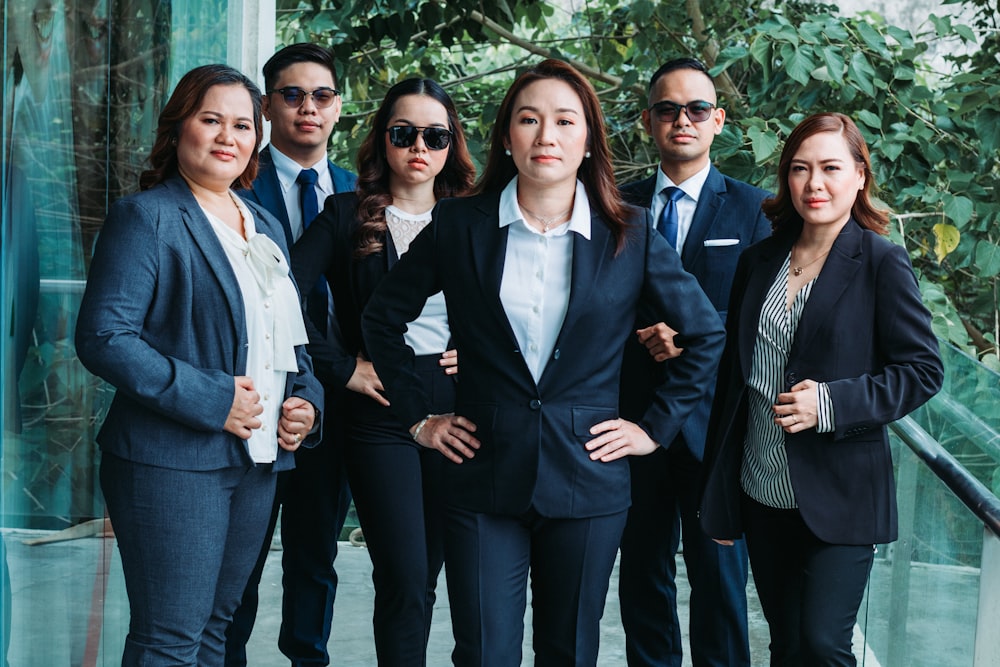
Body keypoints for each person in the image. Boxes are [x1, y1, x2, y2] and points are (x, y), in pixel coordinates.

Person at [361, 59, 725, 666]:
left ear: (587, 140)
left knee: (571, 651)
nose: (546, 135)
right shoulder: (460, 224)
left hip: (587, 476)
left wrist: (653, 428)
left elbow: (705, 333)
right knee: (483, 652)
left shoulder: (628, 232)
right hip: (482, 473)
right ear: (508, 136)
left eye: (564, 121)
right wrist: (419, 417)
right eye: (529, 120)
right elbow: (382, 318)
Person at [74, 64, 323, 666]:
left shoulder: (260, 224)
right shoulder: (149, 217)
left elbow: (289, 340)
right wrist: (214, 398)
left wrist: (306, 402)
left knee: (216, 632)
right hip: (171, 462)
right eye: (210, 120)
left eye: (242, 125)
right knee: (170, 640)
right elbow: (104, 336)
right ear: (179, 127)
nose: (226, 137)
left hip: (257, 460)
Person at [699, 112, 944, 666]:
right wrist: (717, 494)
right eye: (800, 169)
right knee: (785, 644)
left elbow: (923, 369)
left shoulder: (881, 260)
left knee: (822, 644)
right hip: (762, 489)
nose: (815, 184)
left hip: (842, 493)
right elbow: (734, 383)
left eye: (831, 168)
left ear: (859, 175)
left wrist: (830, 404)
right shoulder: (759, 261)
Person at [290, 77, 475, 666]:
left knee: (431, 575)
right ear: (383, 139)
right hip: (377, 407)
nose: (419, 146)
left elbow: (526, 305)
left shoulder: (476, 218)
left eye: (435, 135)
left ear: (452, 145)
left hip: (459, 403)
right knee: (402, 571)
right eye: (404, 133)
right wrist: (340, 367)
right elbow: (277, 292)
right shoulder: (345, 212)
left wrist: (477, 351)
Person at [617, 57, 770, 667]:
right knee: (642, 575)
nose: (683, 120)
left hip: (716, 427)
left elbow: (766, 319)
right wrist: (640, 333)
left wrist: (687, 342)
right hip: (632, 418)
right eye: (667, 109)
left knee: (719, 578)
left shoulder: (756, 210)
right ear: (648, 121)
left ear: (718, 121)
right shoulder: (613, 205)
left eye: (696, 109)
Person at [226, 42, 356, 667]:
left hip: (333, 402)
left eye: (322, 95)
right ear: (268, 105)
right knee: (239, 565)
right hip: (252, 401)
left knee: (316, 557)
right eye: (293, 95)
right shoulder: (233, 183)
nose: (309, 108)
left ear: (338, 108)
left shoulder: (365, 192)